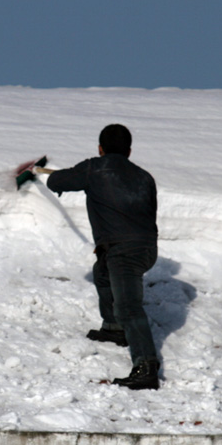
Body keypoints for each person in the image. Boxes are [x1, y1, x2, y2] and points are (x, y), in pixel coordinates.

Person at [45, 124, 161, 390]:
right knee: (102, 272)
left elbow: (55, 181)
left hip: (123, 250)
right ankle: (114, 328)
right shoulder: (145, 177)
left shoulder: (95, 168)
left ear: (100, 148)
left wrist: (79, 177)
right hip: (146, 248)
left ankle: (146, 367)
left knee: (129, 307)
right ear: (129, 151)